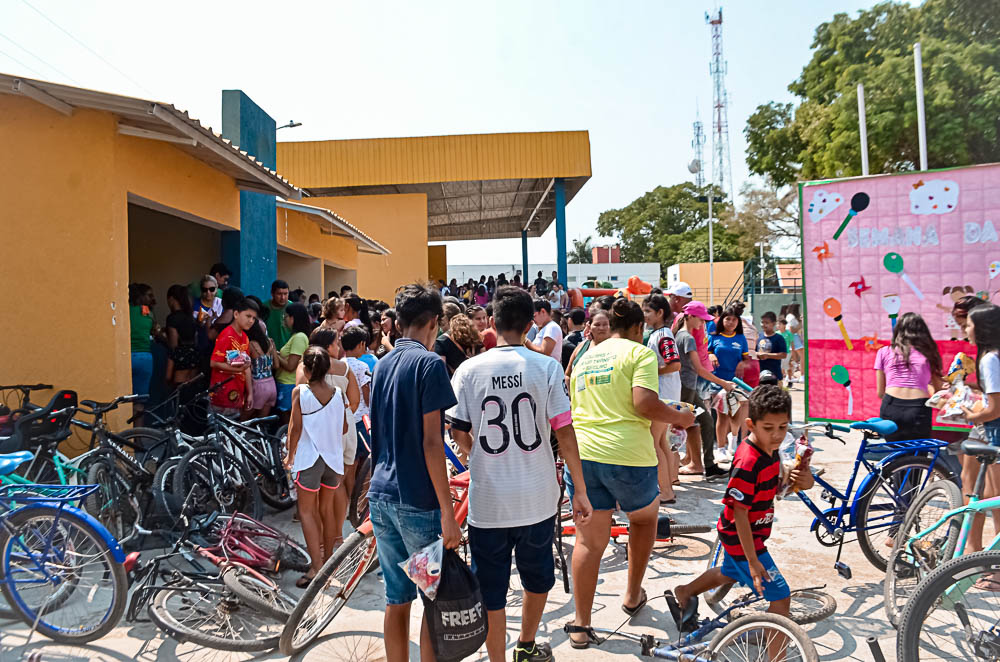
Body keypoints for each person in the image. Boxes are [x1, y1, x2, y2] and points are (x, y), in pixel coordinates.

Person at [447, 286, 593, 662]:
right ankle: (525, 646)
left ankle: (498, 658)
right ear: (531, 325)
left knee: (491, 589)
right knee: (537, 577)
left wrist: (475, 454)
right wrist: (580, 490)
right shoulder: (546, 367)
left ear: (491, 323)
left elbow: (457, 431)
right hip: (538, 498)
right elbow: (564, 431)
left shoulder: (468, 370)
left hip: (488, 504)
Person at [565, 299, 695, 647]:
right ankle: (633, 594)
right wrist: (681, 417)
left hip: (584, 456)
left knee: (589, 542)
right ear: (639, 329)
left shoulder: (584, 357)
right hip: (627, 456)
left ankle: (580, 625)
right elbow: (644, 404)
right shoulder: (640, 354)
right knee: (643, 519)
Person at [671, 386, 811, 657]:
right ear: (751, 425)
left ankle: (685, 591)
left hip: (751, 534)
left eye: (783, 427)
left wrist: (802, 480)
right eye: (768, 428)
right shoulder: (748, 461)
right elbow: (740, 513)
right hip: (741, 535)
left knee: (729, 572)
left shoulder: (771, 449)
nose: (777, 435)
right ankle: (776, 658)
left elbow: (777, 488)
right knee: (780, 598)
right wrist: (753, 560)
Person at [367, 282, 460, 662]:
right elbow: (432, 443)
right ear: (435, 322)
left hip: (380, 495)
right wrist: (448, 512)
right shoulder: (430, 363)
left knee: (396, 599)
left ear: (398, 322)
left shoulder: (383, 364)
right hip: (416, 501)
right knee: (432, 600)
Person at [285, 346, 350, 588]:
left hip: (310, 460)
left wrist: (290, 457)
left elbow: (295, 429)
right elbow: (343, 428)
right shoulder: (338, 393)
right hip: (333, 461)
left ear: (307, 368)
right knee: (327, 511)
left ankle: (316, 568)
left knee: (307, 512)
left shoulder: (300, 392)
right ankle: (328, 559)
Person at [298, 328, 361, 538]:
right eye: (336, 343)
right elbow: (354, 401)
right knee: (338, 483)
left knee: (316, 490)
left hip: (317, 432)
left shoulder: (305, 367)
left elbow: (300, 397)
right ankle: (337, 536)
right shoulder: (344, 367)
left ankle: (324, 537)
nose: (339, 347)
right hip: (344, 427)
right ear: (326, 347)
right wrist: (338, 414)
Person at [675, 302, 732, 479]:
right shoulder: (688, 338)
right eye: (701, 319)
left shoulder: (680, 335)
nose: (703, 324)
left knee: (706, 422)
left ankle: (709, 465)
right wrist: (723, 383)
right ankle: (669, 469)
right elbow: (699, 369)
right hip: (686, 391)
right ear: (690, 317)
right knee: (677, 428)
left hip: (687, 389)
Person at [961, 303, 1000, 556]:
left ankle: (996, 566)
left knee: (996, 498)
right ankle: (972, 549)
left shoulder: (990, 359)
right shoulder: (991, 357)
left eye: (969, 325)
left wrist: (970, 414)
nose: (965, 329)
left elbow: (996, 409)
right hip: (985, 428)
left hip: (993, 428)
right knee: (972, 484)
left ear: (983, 329)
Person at [875, 312, 943, 442]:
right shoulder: (929, 353)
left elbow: (880, 392)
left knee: (896, 454)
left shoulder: (884, 352)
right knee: (917, 455)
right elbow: (938, 392)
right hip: (918, 408)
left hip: (891, 405)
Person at [643, 293, 682, 502]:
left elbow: (674, 364)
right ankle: (668, 487)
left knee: (655, 443)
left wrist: (649, 371)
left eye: (648, 311)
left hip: (663, 395)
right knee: (662, 443)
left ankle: (666, 491)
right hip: (667, 395)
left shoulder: (663, 335)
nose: (645, 315)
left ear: (660, 313)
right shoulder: (660, 333)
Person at [708, 305, 751, 462]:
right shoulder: (714, 337)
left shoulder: (740, 338)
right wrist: (711, 355)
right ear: (722, 320)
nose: (731, 322)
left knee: (735, 415)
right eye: (727, 319)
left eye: (734, 319)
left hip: (736, 383)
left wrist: (741, 364)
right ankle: (720, 448)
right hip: (719, 381)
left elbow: (746, 358)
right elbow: (706, 353)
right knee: (722, 415)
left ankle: (732, 444)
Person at [208, 297, 255, 418]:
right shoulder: (226, 335)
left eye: (253, 318)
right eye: (248, 316)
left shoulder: (245, 337)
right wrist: (238, 370)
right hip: (222, 395)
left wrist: (249, 393)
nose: (251, 321)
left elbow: (247, 367)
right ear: (236, 314)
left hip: (237, 394)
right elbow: (213, 363)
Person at [275, 303, 312, 420]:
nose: (285, 320)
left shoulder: (299, 337)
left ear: (293, 318)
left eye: (286, 316)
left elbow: (291, 365)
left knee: (287, 421)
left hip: (289, 384)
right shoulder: (296, 336)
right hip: (286, 383)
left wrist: (274, 353)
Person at [341, 325, 373, 460]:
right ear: (361, 344)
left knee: (350, 459)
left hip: (345, 417)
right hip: (361, 418)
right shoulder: (362, 367)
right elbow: (367, 396)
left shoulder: (339, 364)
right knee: (366, 456)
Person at [129, 284, 157, 426]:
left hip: (127, 358)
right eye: (148, 295)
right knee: (140, 402)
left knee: (124, 400)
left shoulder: (125, 311)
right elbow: (155, 330)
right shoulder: (147, 313)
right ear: (141, 296)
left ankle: (125, 435)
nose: (151, 298)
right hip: (144, 358)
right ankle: (138, 438)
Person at [165, 284, 200, 388]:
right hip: (194, 356)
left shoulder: (172, 318)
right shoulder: (190, 317)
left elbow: (173, 344)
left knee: (179, 395)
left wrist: (161, 337)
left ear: (171, 299)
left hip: (180, 363)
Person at [246, 317, 278, 419]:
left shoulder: (250, 344)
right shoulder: (270, 342)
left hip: (258, 386)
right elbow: (276, 365)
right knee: (261, 422)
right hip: (272, 385)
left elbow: (247, 368)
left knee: (242, 421)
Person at [756, 312, 788, 385]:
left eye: (767, 322)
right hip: (760, 375)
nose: (764, 325)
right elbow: (754, 351)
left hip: (775, 375)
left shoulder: (779, 338)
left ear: (773, 324)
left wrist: (768, 355)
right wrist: (756, 354)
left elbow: (783, 355)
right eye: (762, 322)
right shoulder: (758, 336)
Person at [265, 280, 291, 350]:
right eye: (279, 294)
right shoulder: (264, 307)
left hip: (288, 352)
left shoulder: (293, 308)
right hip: (269, 350)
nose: (283, 297)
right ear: (272, 294)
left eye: (285, 294)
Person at [785, 303, 804, 382]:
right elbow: (791, 330)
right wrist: (800, 324)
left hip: (791, 337)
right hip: (794, 338)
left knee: (791, 358)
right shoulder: (791, 317)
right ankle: (802, 375)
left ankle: (789, 376)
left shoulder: (789, 316)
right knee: (803, 356)